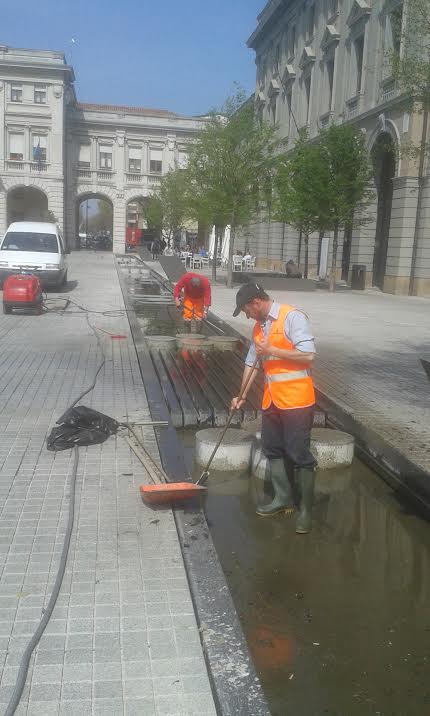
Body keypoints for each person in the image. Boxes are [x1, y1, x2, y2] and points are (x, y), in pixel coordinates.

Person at [230, 282, 316, 534]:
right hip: (272, 400)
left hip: (297, 400)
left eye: (246, 309)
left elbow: (309, 355)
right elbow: (252, 363)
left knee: (299, 454)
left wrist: (272, 350)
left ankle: (306, 512)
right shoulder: (259, 328)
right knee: (272, 448)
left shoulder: (292, 317)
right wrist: (242, 395)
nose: (246, 315)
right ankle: (282, 499)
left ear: (256, 302)